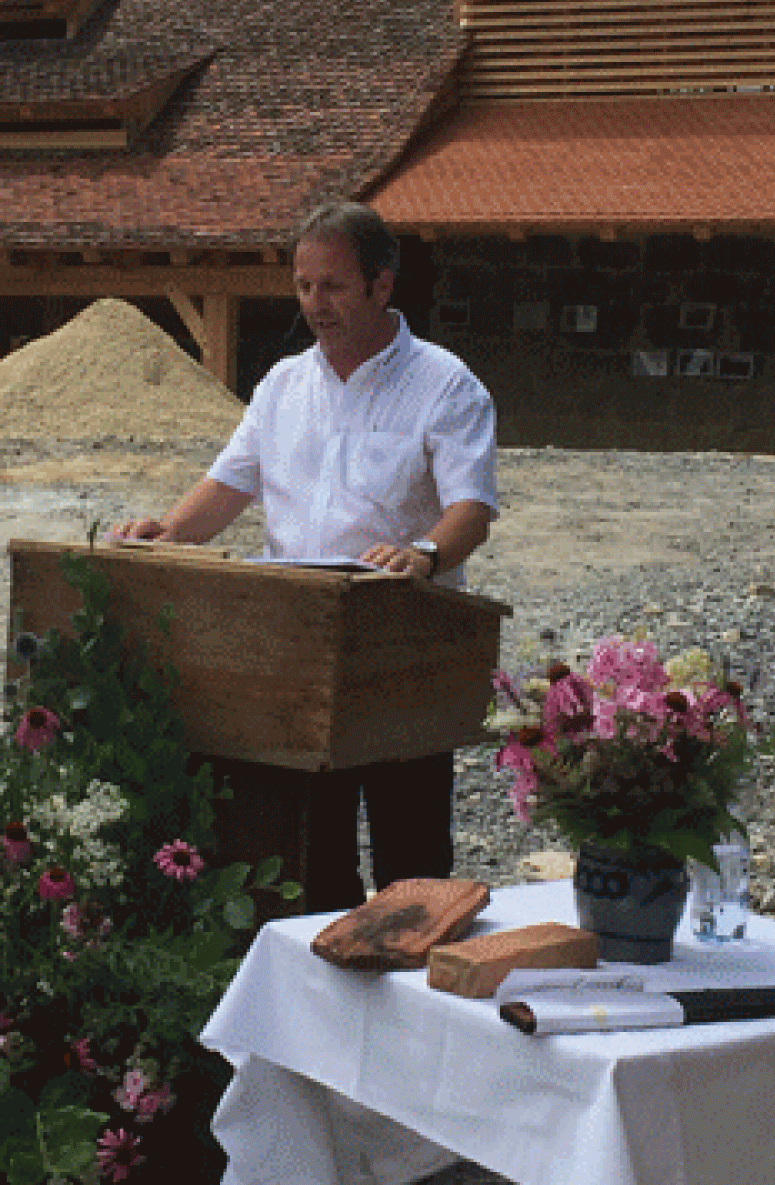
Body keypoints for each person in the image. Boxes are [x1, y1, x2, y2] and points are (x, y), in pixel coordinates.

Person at [108, 200, 498, 905]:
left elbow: (471, 509)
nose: (315, 304)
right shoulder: (283, 384)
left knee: (411, 866)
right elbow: (229, 484)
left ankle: (405, 996)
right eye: (303, 286)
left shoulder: (448, 385)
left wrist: (423, 555)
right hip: (295, 652)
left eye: (334, 286)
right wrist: (165, 535)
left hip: (400, 650)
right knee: (302, 864)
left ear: (382, 286)